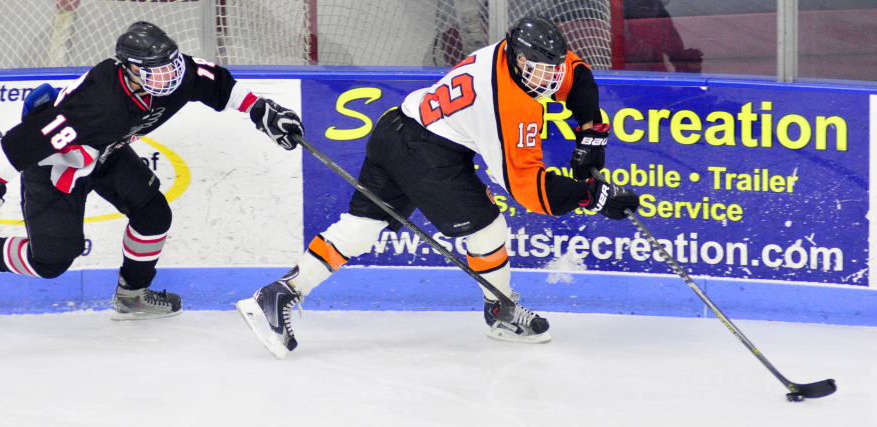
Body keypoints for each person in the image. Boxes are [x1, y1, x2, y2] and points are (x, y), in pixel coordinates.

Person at [237, 16, 640, 359]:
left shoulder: (515, 54)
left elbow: (577, 74)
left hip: (395, 129)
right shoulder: (509, 106)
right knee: (488, 230)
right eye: (541, 71)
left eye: (553, 71)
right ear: (519, 61)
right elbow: (529, 192)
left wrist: (591, 132)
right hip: (428, 156)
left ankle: (280, 293)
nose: (550, 80)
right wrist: (594, 197)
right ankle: (501, 313)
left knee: (360, 227)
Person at [0, 21, 304, 320]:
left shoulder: (177, 76)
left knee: (153, 215)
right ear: (130, 69)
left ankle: (131, 295)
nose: (171, 75)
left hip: (107, 155)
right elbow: (30, 139)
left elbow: (217, 83)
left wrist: (263, 110)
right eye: (159, 69)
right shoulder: (97, 103)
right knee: (51, 263)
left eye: (172, 64)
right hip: (59, 170)